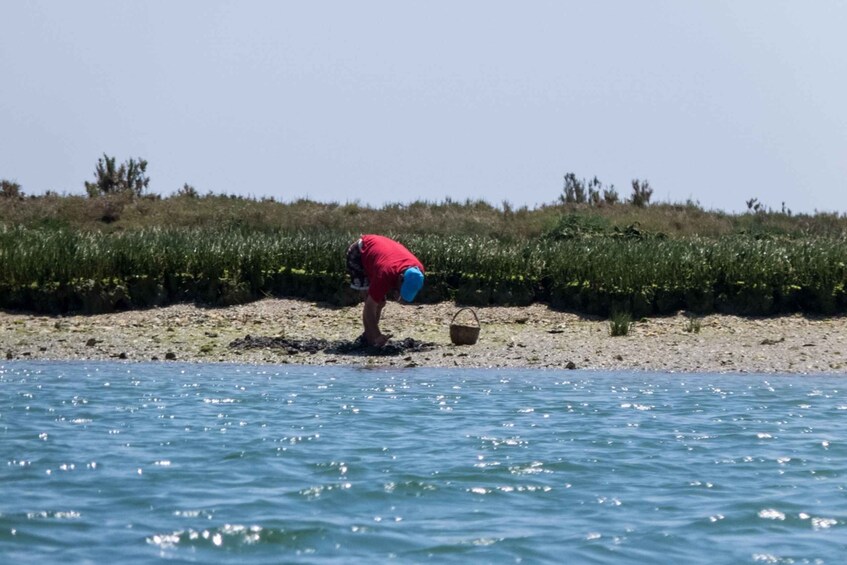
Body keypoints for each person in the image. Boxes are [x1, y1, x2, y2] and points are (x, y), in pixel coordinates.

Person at [346, 234, 425, 346]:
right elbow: (369, 307)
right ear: (401, 278)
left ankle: (370, 337)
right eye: (400, 289)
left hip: (382, 256)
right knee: (373, 301)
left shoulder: (418, 271)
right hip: (360, 251)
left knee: (380, 303)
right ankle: (370, 338)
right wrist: (377, 335)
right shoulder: (385, 273)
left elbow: (399, 284)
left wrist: (399, 291)